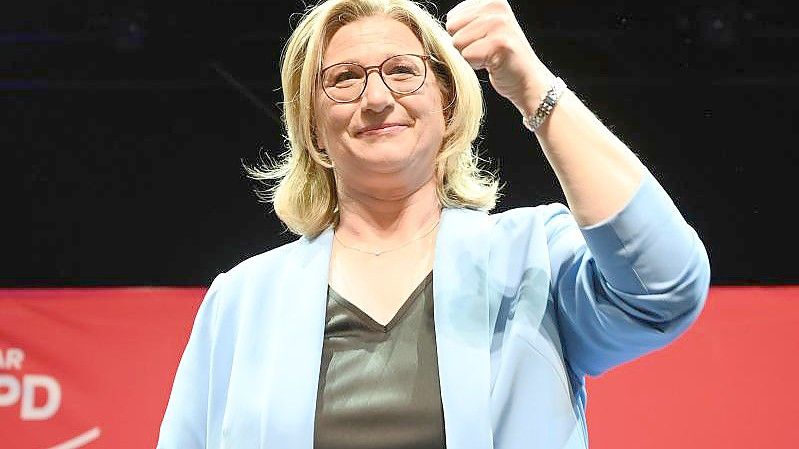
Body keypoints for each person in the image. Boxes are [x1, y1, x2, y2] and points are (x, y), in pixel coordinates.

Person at [156, 0, 710, 448]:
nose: (377, 98)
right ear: (313, 130)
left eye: (402, 71)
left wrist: (532, 86)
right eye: (344, 79)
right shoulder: (242, 299)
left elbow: (665, 287)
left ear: (448, 106)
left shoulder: (532, 259)